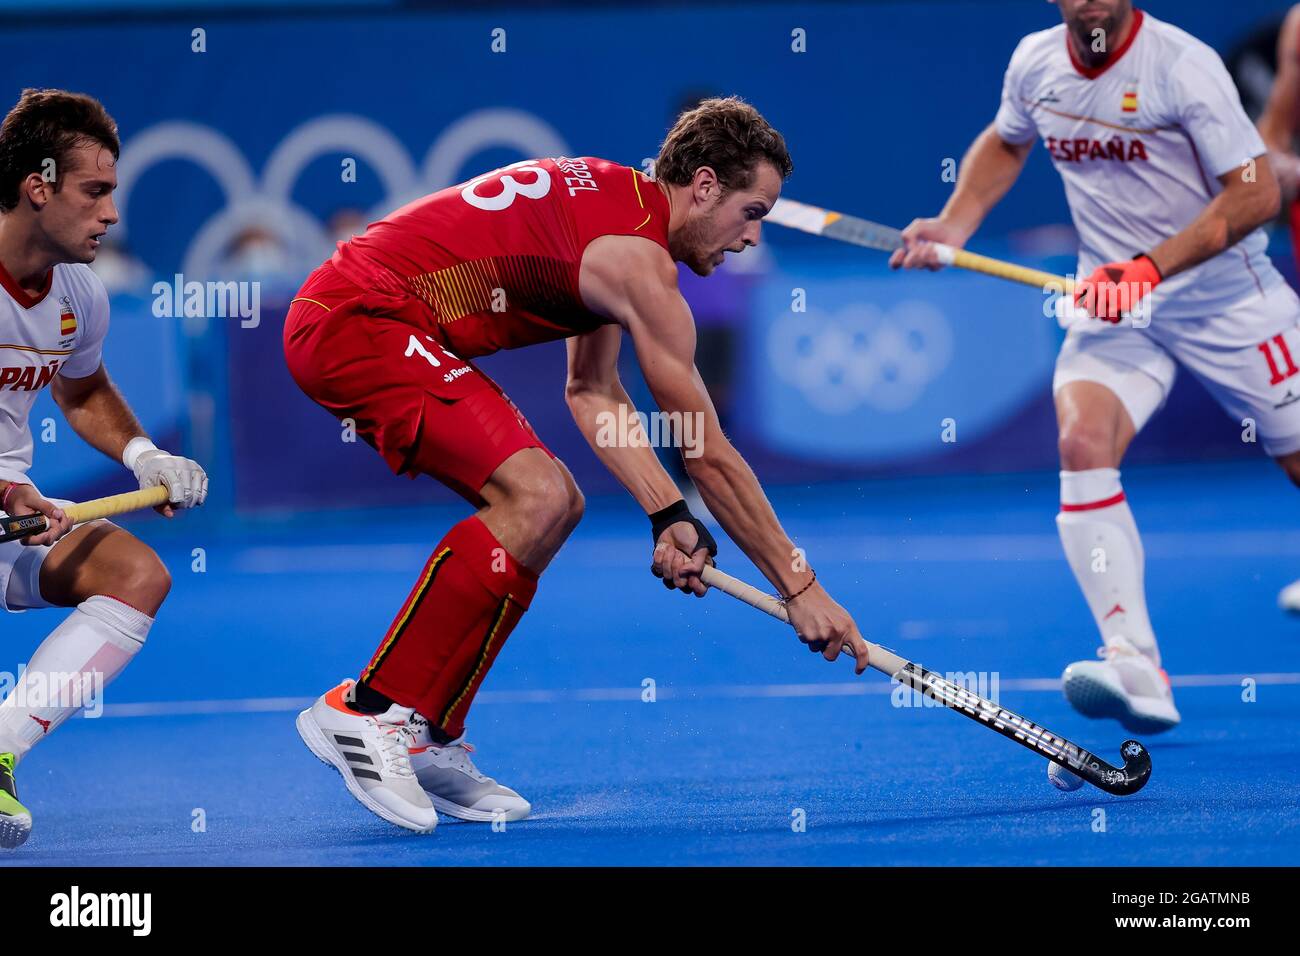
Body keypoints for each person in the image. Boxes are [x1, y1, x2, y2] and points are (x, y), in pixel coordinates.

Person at [283, 97, 870, 834]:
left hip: (363, 315)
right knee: (535, 495)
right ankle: (365, 710)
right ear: (706, 185)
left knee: (554, 501)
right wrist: (800, 585)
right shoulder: (640, 265)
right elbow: (707, 451)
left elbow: (591, 391)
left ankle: (429, 731)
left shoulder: (614, 209)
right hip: (358, 318)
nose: (752, 238)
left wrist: (669, 515)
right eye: (752, 212)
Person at [891, 1, 1294, 733]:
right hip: (1115, 306)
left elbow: (1258, 191)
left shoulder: (1182, 65)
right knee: (1082, 443)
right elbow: (1006, 142)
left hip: (1225, 297)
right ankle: (1135, 663)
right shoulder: (1035, 64)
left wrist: (1148, 267)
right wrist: (955, 222)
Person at [0, 89, 208, 849]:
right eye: (96, 192)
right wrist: (9, 489)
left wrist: (144, 454)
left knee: (137, 576)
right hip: (8, 499)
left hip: (9, 515)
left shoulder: (79, 294)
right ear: (39, 186)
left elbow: (82, 390)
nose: (112, 214)